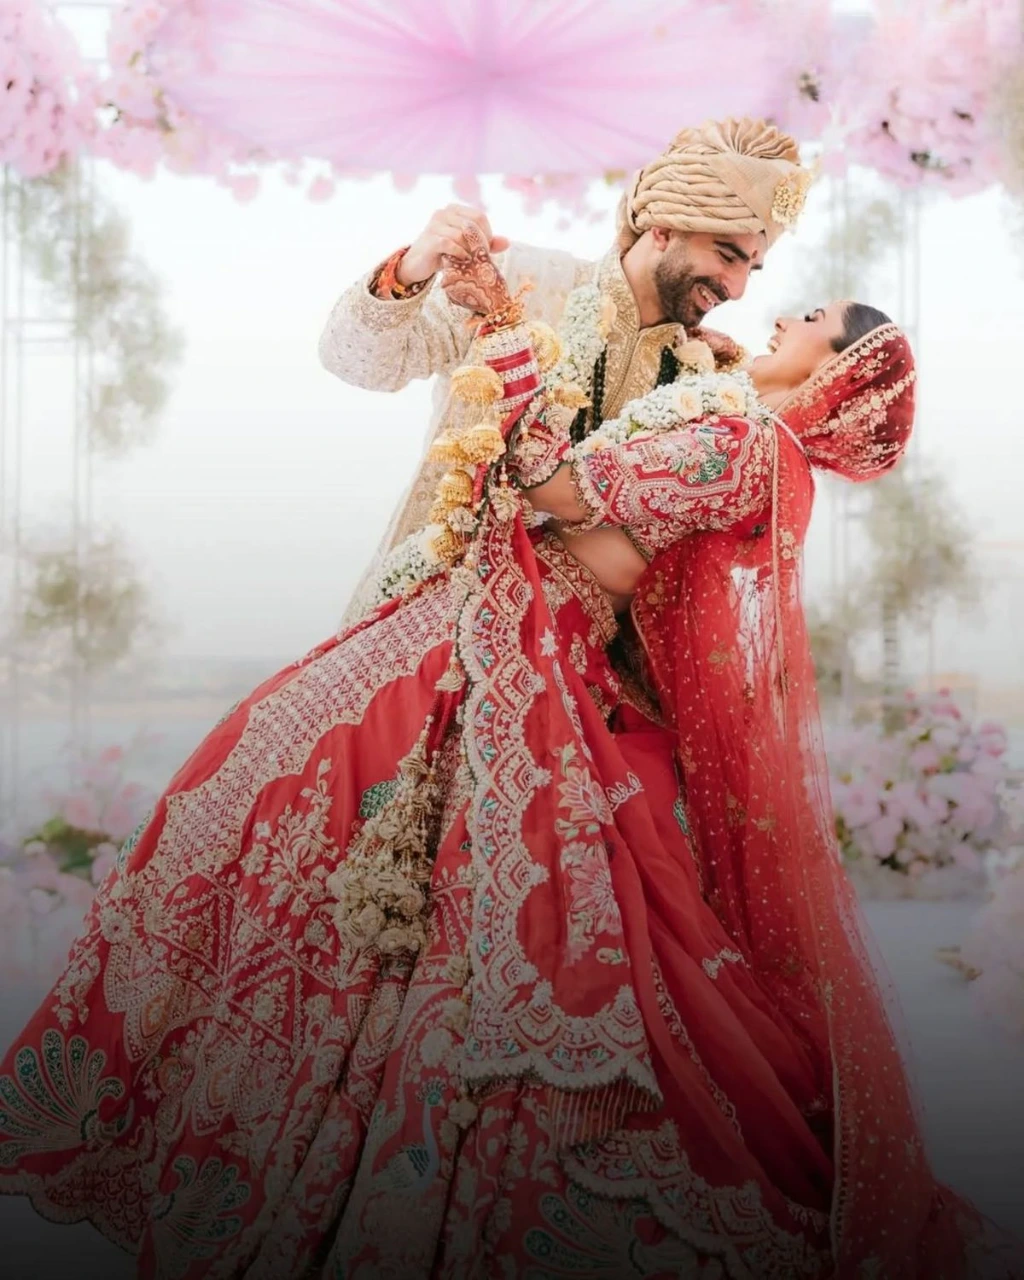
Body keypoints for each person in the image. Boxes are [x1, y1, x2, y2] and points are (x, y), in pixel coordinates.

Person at [1, 197, 1016, 1273]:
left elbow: (605, 536)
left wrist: (516, 387)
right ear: (667, 221)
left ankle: (300, 1123)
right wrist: (447, 289)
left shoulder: (740, 435)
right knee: (264, 783)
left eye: (785, 289)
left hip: (530, 640)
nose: (757, 293)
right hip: (467, 607)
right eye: (734, 255)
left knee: (337, 817)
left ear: (835, 374)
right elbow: (369, 359)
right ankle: (208, 1099)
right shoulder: (664, 354)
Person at [320, 116, 812, 625]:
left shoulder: (705, 382)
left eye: (750, 268)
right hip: (410, 630)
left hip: (563, 680)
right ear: (663, 229)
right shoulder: (519, 281)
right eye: (727, 256)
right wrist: (409, 269)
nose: (737, 288)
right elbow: (355, 360)